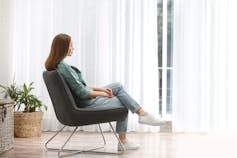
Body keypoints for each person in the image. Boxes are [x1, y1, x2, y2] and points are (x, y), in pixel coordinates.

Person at [45, 33, 165, 151]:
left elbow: (81, 86)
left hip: (84, 101)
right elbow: (82, 92)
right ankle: (128, 135)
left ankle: (142, 115)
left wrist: (101, 89)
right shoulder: (64, 68)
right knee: (123, 103)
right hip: (85, 104)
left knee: (117, 86)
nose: (73, 48)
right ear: (63, 48)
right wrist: (103, 95)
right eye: (71, 45)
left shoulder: (58, 66)